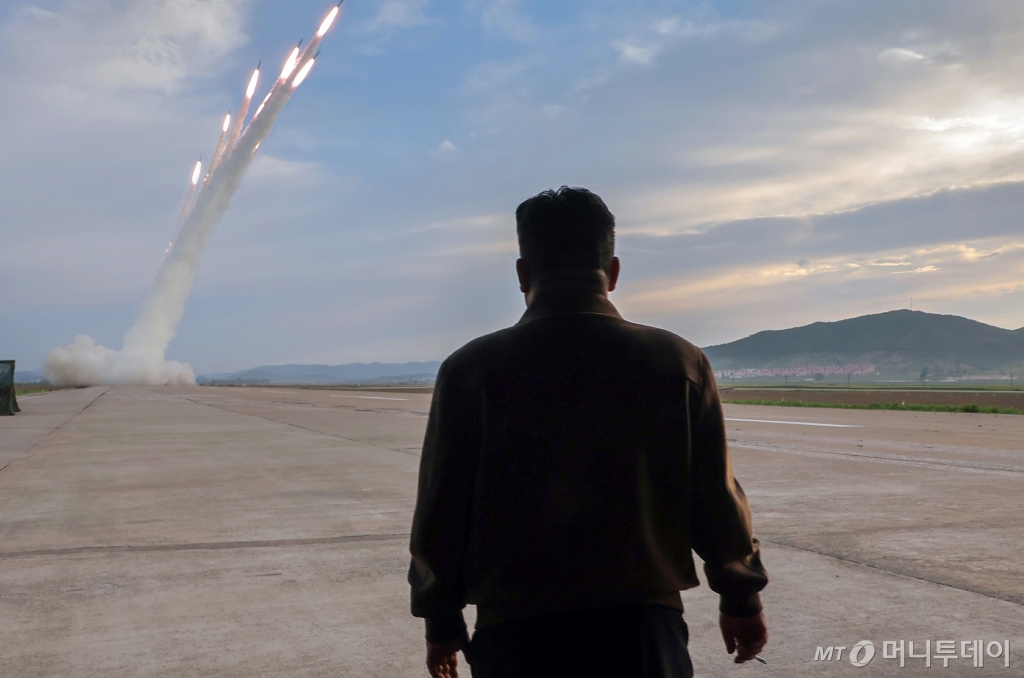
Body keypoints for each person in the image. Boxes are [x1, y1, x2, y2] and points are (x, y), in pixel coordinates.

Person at [408, 187, 768, 678]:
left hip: (517, 634)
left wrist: (441, 620)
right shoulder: (678, 362)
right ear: (613, 272)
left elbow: (442, 507)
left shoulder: (470, 370)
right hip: (642, 631)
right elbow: (714, 498)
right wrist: (741, 599)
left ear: (521, 275)